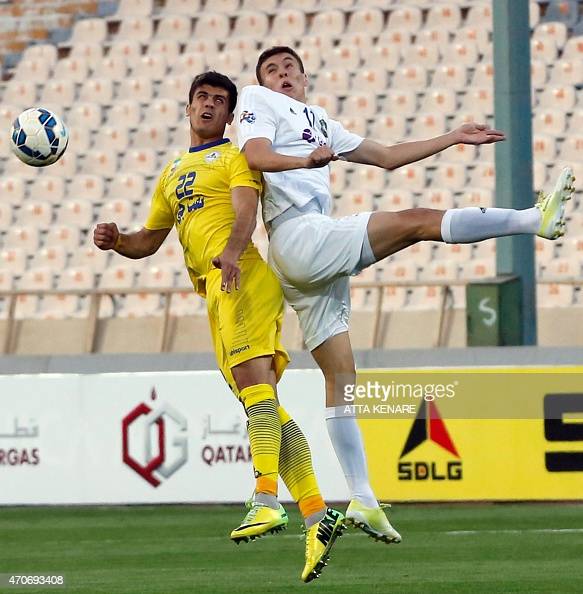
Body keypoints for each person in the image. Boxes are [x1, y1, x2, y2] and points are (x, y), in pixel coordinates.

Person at [237, 46, 575, 544]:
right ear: (262, 82)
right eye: (272, 69)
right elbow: (254, 155)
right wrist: (303, 158)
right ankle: (532, 220)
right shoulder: (258, 101)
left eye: (290, 67)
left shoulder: (320, 120)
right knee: (417, 221)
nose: (282, 73)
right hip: (297, 236)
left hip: (308, 255)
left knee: (343, 376)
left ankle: (363, 499)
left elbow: (389, 157)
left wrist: (453, 138)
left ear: (306, 77)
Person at [93, 71, 344, 583]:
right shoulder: (171, 173)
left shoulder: (235, 156)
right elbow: (150, 241)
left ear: (230, 115)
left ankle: (266, 499)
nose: (209, 105)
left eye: (219, 100)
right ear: (187, 108)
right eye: (201, 98)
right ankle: (318, 514)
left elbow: (246, 208)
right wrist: (118, 239)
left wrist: (231, 252)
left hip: (242, 277)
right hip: (216, 291)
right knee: (266, 405)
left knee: (259, 400)